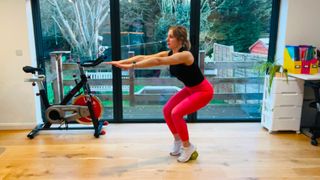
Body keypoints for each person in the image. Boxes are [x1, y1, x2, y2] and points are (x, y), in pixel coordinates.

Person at [106, 25, 214, 163]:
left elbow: (157, 61)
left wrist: (131, 67)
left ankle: (188, 147)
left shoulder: (185, 55)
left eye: (171, 36)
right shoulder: (170, 53)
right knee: (167, 110)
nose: (167, 39)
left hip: (203, 91)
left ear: (180, 39)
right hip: (190, 89)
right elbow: (143, 57)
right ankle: (178, 140)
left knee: (176, 113)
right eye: (167, 36)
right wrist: (120, 62)